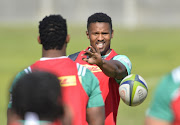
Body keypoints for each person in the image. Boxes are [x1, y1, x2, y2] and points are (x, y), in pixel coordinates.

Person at [7, 14, 105, 125]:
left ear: (39, 39)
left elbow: (13, 121)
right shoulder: (85, 75)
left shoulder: (23, 78)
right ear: (67, 38)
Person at [68, 12, 132, 125]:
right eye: (95, 33)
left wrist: (101, 63)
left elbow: (118, 71)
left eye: (105, 33)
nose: (100, 38)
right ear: (88, 34)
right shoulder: (72, 60)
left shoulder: (120, 60)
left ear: (112, 34)